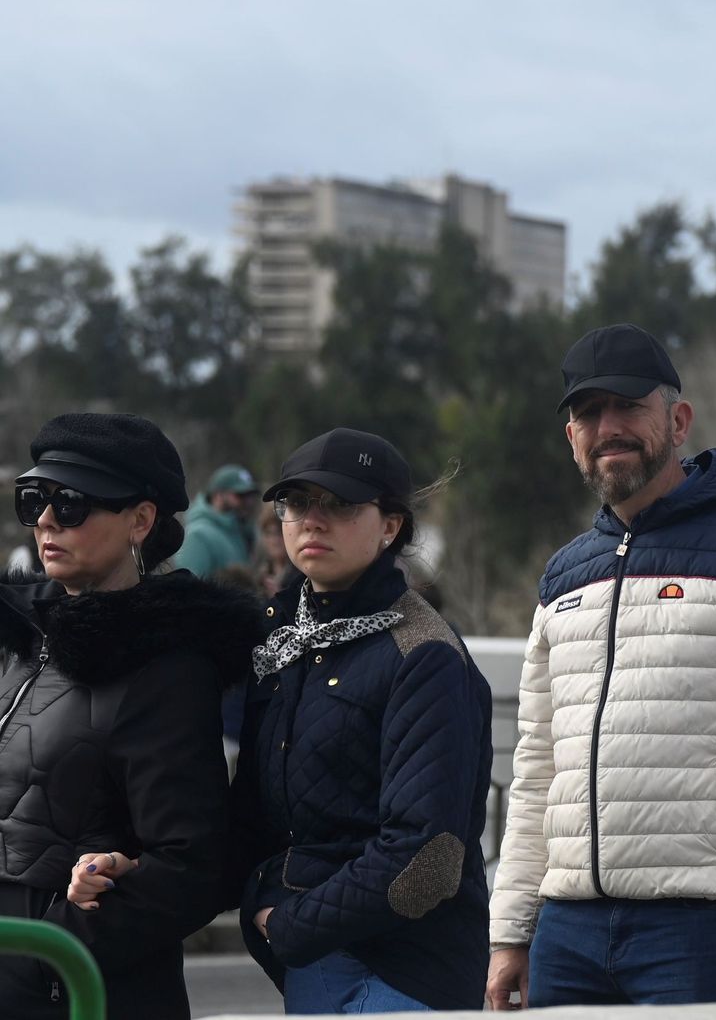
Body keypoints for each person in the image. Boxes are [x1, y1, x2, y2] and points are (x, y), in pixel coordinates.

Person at [74, 427, 495, 1014]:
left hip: (406, 969)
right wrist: (138, 872)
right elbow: (254, 816)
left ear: (390, 526)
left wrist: (289, 923)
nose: (312, 521)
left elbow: (426, 859)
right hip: (315, 958)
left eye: (340, 505)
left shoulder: (422, 655)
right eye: (296, 503)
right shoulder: (283, 639)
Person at [486, 323, 716, 1008]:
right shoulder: (564, 577)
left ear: (678, 421)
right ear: (571, 439)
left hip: (704, 928)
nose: (608, 427)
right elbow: (536, 770)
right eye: (589, 413)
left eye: (628, 407)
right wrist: (510, 935)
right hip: (566, 928)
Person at [0, 412, 261, 1020]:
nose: (44, 520)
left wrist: (48, 958)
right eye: (34, 498)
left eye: (71, 505)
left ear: (140, 521)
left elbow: (188, 864)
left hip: (80, 991)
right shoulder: (19, 640)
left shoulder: (166, 664)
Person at [171, 463, 259, 579]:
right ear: (218, 495)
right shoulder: (198, 535)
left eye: (249, 496)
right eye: (240, 495)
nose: (248, 502)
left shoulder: (239, 529)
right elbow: (187, 590)